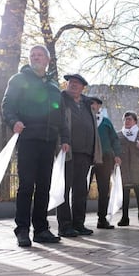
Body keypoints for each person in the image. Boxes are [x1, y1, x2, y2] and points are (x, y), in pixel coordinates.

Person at [2, 45, 70, 247]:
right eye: (33, 55)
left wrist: (64, 138)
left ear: (47, 59)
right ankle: (22, 230)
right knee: (26, 186)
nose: (36, 57)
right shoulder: (19, 79)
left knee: (44, 187)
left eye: (40, 55)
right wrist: (13, 121)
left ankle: (41, 229)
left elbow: (60, 113)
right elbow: (7, 104)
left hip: (49, 142)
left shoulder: (53, 85)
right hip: (28, 139)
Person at [58, 74, 102, 237]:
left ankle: (79, 223)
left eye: (77, 83)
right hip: (67, 151)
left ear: (83, 87)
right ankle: (64, 225)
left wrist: (94, 151)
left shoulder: (86, 104)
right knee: (65, 188)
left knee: (80, 190)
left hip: (84, 153)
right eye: (71, 82)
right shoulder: (61, 99)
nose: (73, 85)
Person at [90, 97, 122, 229]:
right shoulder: (85, 120)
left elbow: (114, 139)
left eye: (95, 104)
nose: (92, 106)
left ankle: (102, 219)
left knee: (104, 189)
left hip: (105, 158)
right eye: (90, 103)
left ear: (99, 106)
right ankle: (77, 221)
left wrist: (117, 154)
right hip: (88, 157)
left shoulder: (106, 121)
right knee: (82, 188)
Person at [117, 111, 139, 227]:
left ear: (135, 121)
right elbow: (115, 148)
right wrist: (116, 157)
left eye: (129, 119)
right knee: (125, 194)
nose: (127, 121)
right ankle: (124, 218)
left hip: (138, 168)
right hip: (124, 168)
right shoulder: (119, 134)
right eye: (125, 119)